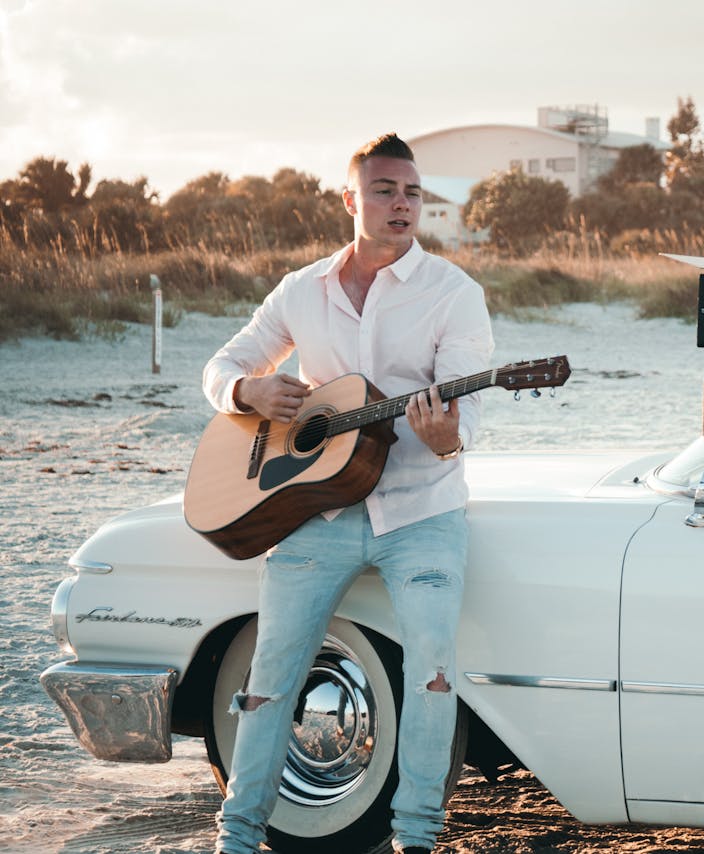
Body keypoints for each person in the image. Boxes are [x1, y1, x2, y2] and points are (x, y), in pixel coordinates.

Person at [203, 133, 494, 854]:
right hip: (313, 508)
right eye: (386, 191)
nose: (403, 205)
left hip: (423, 513)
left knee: (431, 673)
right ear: (350, 200)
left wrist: (445, 434)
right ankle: (237, 837)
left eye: (414, 193)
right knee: (270, 676)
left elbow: (472, 421)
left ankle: (416, 838)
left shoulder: (454, 295)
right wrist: (250, 389)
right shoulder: (302, 290)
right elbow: (223, 365)